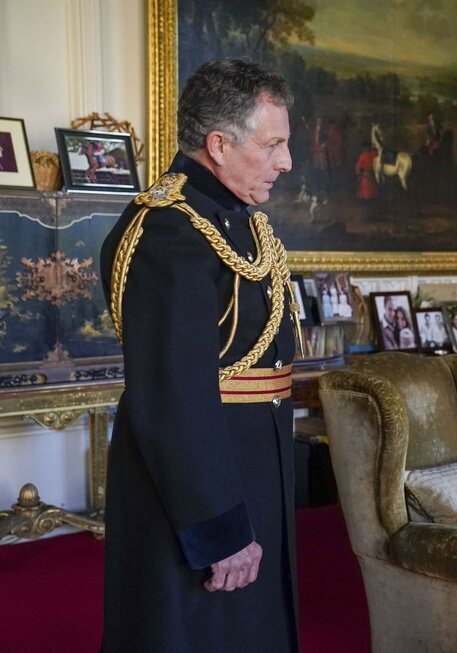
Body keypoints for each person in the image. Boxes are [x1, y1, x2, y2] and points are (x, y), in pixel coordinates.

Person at [99, 58, 300, 653]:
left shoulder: (236, 220)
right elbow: (171, 397)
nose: (286, 162)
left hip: (250, 469)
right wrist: (220, 530)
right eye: (274, 145)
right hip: (195, 493)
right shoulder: (168, 231)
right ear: (219, 143)